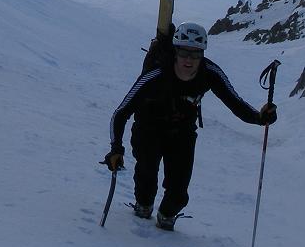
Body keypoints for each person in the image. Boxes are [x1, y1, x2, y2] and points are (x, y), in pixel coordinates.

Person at [103, 22, 277, 230]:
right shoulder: (155, 75)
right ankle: (143, 207)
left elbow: (235, 102)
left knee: (178, 189)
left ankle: (166, 217)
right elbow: (121, 112)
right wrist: (116, 147)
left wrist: (259, 118)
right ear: (175, 51)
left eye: (195, 54)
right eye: (184, 52)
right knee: (146, 176)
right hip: (148, 129)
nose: (189, 59)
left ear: (202, 54)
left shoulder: (210, 73)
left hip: (182, 133)